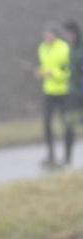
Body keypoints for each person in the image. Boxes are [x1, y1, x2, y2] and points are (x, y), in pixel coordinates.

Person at [35, 22, 72, 169]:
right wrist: (41, 72)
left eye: (49, 34)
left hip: (64, 92)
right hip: (49, 92)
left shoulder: (64, 48)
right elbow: (46, 66)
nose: (46, 36)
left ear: (55, 35)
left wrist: (53, 73)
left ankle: (67, 158)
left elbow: (68, 72)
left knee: (68, 124)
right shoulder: (42, 48)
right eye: (45, 34)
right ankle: (51, 155)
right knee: (47, 123)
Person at [62, 20, 82, 166]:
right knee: (69, 124)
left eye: (69, 33)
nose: (67, 36)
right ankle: (67, 159)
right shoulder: (71, 47)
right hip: (74, 92)